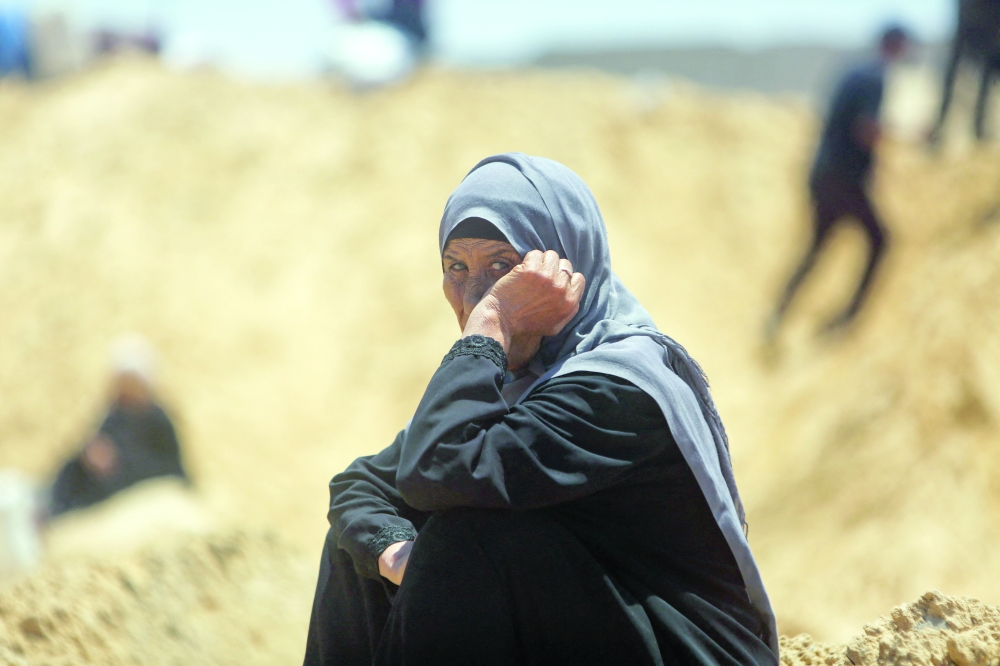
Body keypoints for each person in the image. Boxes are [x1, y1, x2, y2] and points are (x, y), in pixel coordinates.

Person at [304, 153, 778, 665]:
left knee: (465, 543)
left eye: (503, 268)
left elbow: (438, 468)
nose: (476, 293)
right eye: (456, 267)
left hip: (683, 650)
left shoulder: (616, 390)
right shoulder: (521, 384)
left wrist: (490, 324)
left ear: (566, 269)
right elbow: (363, 482)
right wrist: (393, 550)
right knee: (358, 547)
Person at [767, 26, 909, 340]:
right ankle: (845, 320)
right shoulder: (875, 77)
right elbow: (865, 130)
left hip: (822, 175)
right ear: (895, 45)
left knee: (816, 250)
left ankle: (778, 316)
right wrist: (906, 137)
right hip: (844, 178)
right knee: (881, 240)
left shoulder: (854, 72)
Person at [45, 336, 187, 518]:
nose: (125, 389)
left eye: (131, 382)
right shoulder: (114, 418)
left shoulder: (157, 421)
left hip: (143, 495)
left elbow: (170, 469)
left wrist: (118, 465)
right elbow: (90, 453)